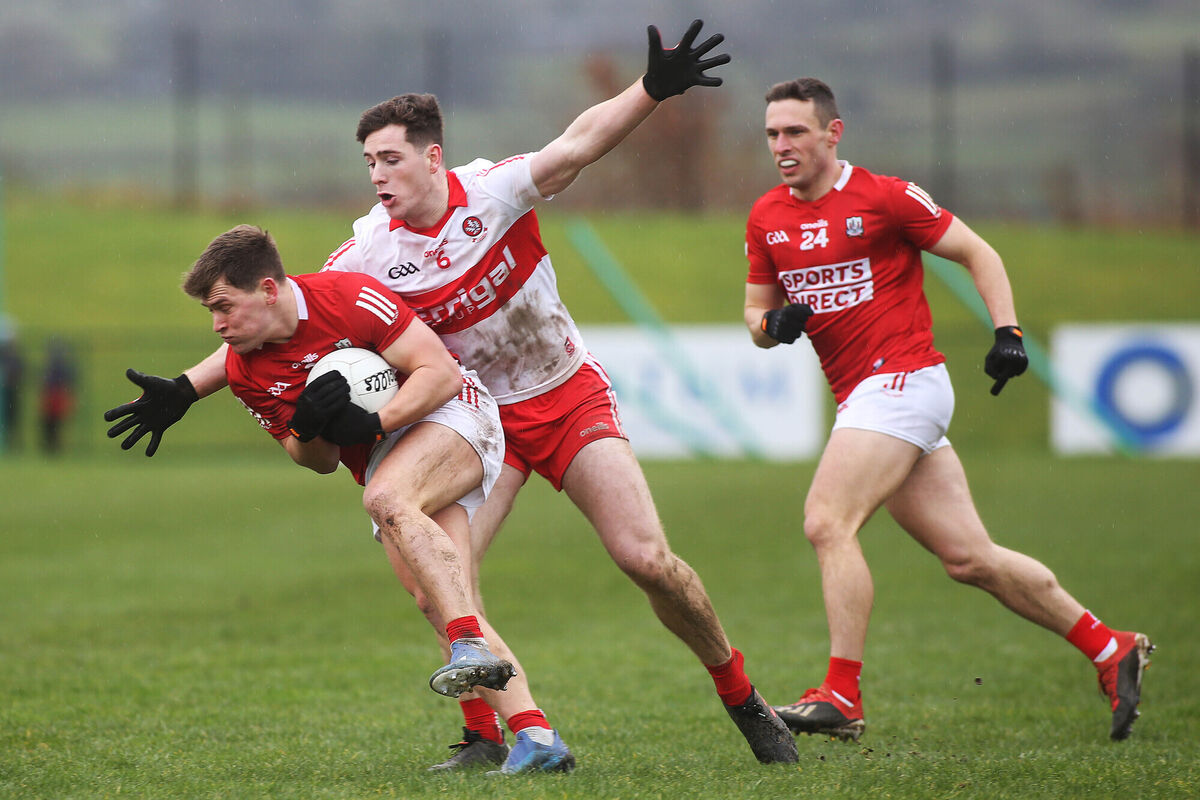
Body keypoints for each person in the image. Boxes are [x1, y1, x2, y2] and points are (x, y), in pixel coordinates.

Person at [102, 20, 800, 767]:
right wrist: (187, 386)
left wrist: (651, 89)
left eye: (391, 159)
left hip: (563, 394)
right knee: (432, 575)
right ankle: (488, 734)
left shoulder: (493, 194)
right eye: (369, 161)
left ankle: (741, 695)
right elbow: (282, 311)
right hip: (469, 417)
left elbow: (578, 144)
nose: (377, 176)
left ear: (432, 157)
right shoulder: (368, 248)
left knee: (644, 557)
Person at [741, 77, 1153, 743]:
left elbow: (977, 253)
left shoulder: (884, 196)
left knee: (826, 521)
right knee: (971, 559)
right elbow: (754, 318)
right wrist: (775, 326)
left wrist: (1008, 333)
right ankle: (1111, 647)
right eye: (771, 134)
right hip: (869, 397)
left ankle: (841, 693)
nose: (781, 145)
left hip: (903, 382)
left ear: (832, 132)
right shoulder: (766, 216)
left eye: (794, 131)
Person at [170, 224, 572, 774]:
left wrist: (375, 420)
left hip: (452, 418)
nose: (217, 326)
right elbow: (317, 460)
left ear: (268, 289)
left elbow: (440, 372)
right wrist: (310, 429)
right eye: (209, 313)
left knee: (385, 499)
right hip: (389, 457)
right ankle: (530, 738)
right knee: (439, 597)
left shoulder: (346, 297)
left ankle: (470, 650)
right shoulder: (245, 369)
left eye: (223, 307)